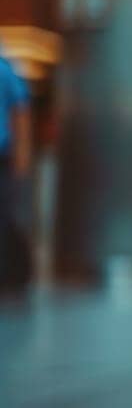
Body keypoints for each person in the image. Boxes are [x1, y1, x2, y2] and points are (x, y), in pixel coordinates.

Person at [0, 54, 32, 293]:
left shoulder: (5, 70)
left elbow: (21, 112)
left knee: (4, 216)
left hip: (3, 155)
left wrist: (22, 154)